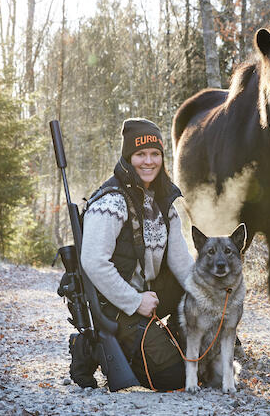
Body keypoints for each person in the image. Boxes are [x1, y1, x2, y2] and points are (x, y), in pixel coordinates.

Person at [81, 118, 194, 391]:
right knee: (174, 378)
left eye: (155, 154)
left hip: (149, 295)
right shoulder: (111, 202)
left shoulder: (164, 200)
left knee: (198, 364)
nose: (148, 161)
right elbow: (93, 262)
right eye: (140, 154)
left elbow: (182, 263)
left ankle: (172, 343)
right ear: (128, 157)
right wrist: (134, 301)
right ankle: (89, 348)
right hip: (118, 305)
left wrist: (210, 297)